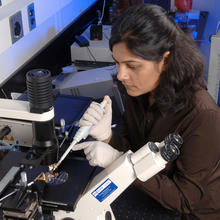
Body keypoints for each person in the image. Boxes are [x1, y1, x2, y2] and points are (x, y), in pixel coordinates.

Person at [72, 4, 220, 220]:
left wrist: (118, 161)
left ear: (166, 60)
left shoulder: (202, 113)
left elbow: (185, 200)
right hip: (152, 195)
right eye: (117, 63)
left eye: (132, 66)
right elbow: (134, 152)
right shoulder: (138, 91)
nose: (121, 75)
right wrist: (108, 136)